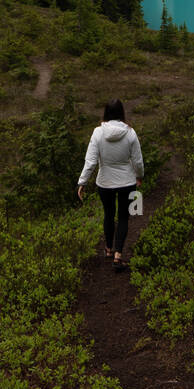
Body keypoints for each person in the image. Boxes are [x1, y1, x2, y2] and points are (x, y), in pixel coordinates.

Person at [77, 99, 144, 272]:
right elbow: (137, 160)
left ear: (105, 113)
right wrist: (139, 176)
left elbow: (90, 162)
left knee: (108, 214)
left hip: (104, 182)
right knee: (123, 217)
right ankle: (118, 255)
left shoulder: (98, 133)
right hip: (127, 182)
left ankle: (108, 249)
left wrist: (82, 182)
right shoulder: (130, 133)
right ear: (122, 112)